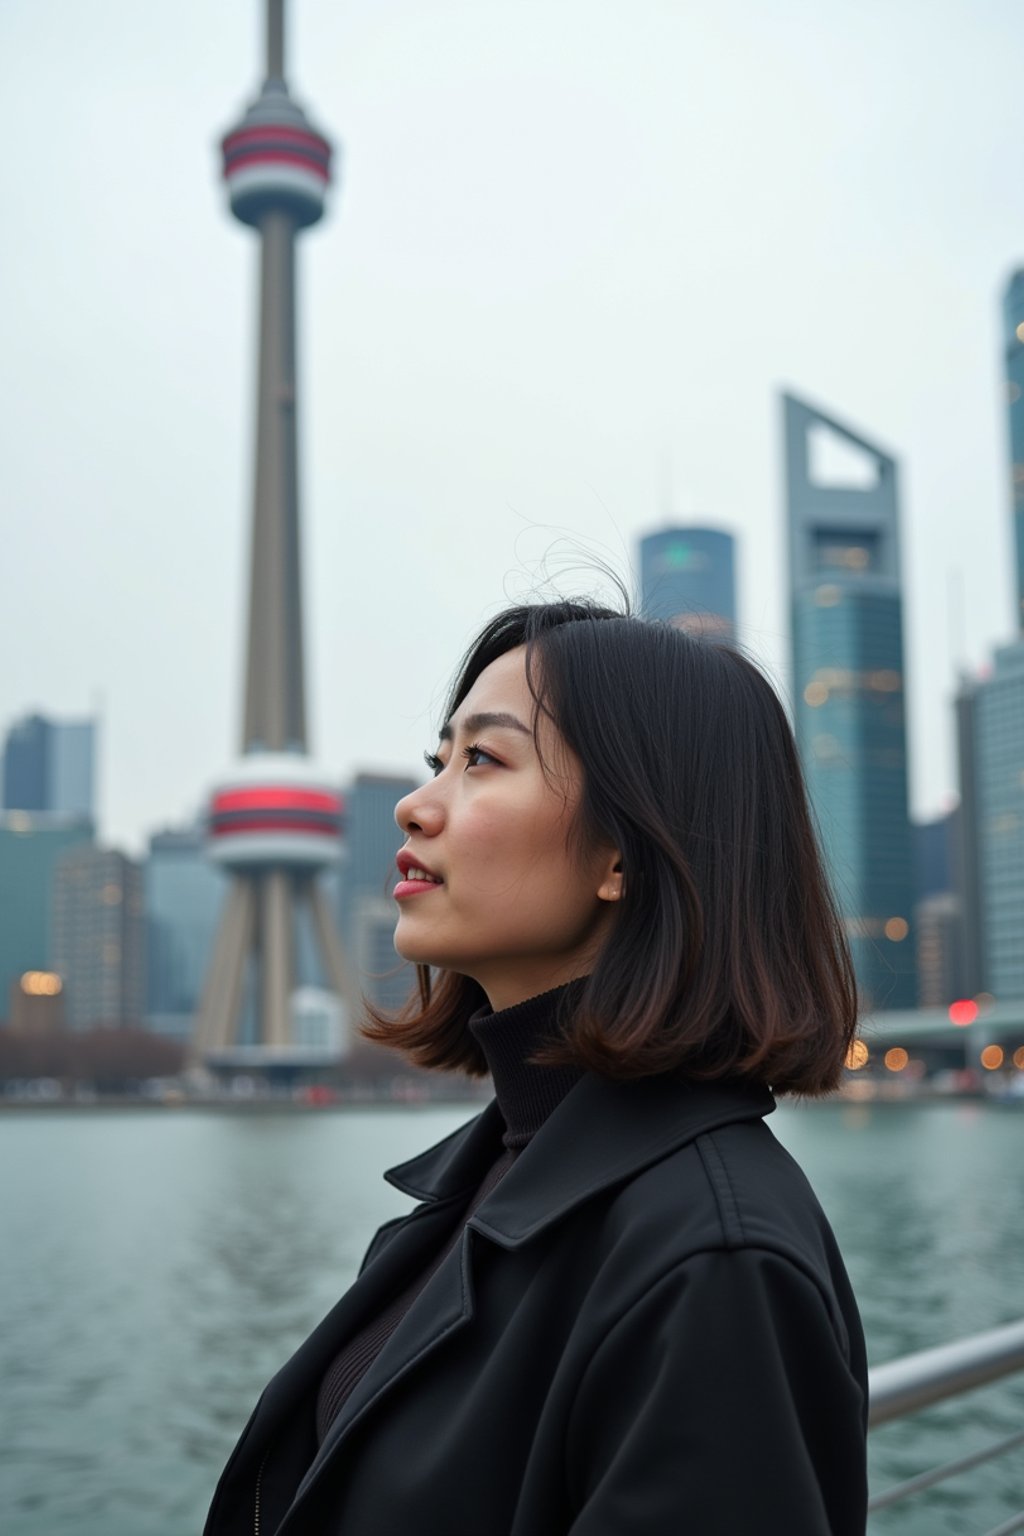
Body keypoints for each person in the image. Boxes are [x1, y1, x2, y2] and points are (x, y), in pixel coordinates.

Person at [204, 598, 869, 1536]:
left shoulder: (713, 1261)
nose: (415, 801)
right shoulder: (493, 1182)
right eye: (441, 757)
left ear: (621, 853)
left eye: (483, 759)